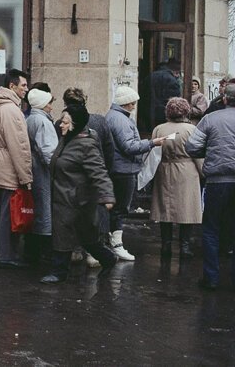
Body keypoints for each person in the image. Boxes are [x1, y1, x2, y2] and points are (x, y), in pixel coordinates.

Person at [39, 104, 118, 284]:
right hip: (64, 197)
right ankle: (107, 258)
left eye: (65, 122)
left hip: (77, 200)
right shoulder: (67, 139)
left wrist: (107, 195)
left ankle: (59, 272)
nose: (61, 125)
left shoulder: (86, 145)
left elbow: (99, 172)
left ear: (75, 124)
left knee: (76, 235)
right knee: (80, 236)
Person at [105, 86, 165, 261]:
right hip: (123, 170)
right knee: (121, 208)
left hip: (119, 168)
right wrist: (152, 143)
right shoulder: (121, 120)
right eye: (134, 102)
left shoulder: (115, 116)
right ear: (128, 102)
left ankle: (111, 242)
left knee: (116, 208)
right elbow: (129, 146)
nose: (135, 105)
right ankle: (116, 244)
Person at [185, 83, 235, 291]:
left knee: (211, 229)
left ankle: (211, 278)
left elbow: (192, 146)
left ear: (224, 99)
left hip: (217, 181)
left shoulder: (210, 119)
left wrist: (210, 153)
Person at [61, 87, 115, 267]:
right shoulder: (99, 121)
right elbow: (109, 148)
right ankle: (96, 251)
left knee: (73, 214)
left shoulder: (60, 123)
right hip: (94, 174)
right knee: (96, 213)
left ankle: (75, 250)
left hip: (70, 177)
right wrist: (106, 169)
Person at [0, 68, 33, 268]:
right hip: (10, 168)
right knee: (9, 215)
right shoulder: (12, 110)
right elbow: (19, 146)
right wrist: (26, 177)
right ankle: (6, 255)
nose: (26, 89)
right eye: (23, 85)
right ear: (12, 86)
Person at [150, 97, 203, 259]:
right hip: (187, 170)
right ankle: (184, 245)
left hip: (165, 168)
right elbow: (199, 154)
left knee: (164, 208)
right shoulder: (192, 130)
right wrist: (204, 172)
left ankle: (166, 245)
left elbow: (153, 152)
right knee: (186, 208)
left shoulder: (159, 129)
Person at [24, 88, 58, 264]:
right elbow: (49, 151)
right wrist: (58, 169)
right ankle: (43, 252)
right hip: (43, 171)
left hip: (35, 168)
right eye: (49, 103)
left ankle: (33, 249)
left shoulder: (31, 118)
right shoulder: (42, 122)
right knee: (44, 209)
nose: (52, 107)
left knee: (39, 207)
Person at [149, 58, 182, 127]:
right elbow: (174, 100)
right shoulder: (171, 79)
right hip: (164, 114)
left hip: (149, 112)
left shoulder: (150, 76)